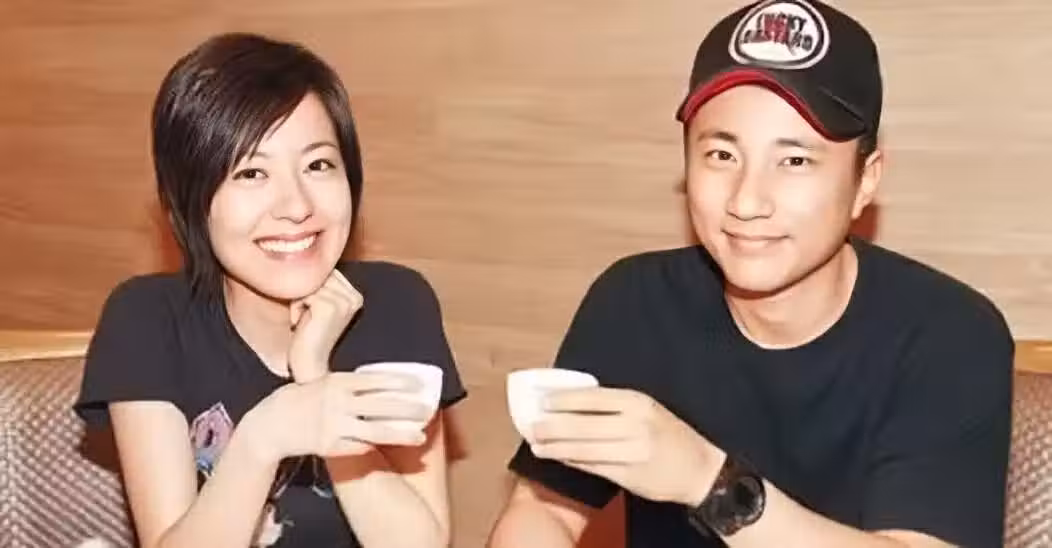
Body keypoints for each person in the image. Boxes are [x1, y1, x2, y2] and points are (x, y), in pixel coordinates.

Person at [487, 1, 1013, 547]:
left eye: (794, 161)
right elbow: (543, 512)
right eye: (721, 155)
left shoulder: (948, 334)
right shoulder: (634, 303)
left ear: (865, 180)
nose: (746, 201)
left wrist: (707, 480)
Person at [74, 32, 466, 548]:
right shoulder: (148, 319)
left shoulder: (397, 304)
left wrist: (315, 376)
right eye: (252, 173)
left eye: (318, 165)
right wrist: (264, 436)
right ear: (189, 202)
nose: (296, 206)